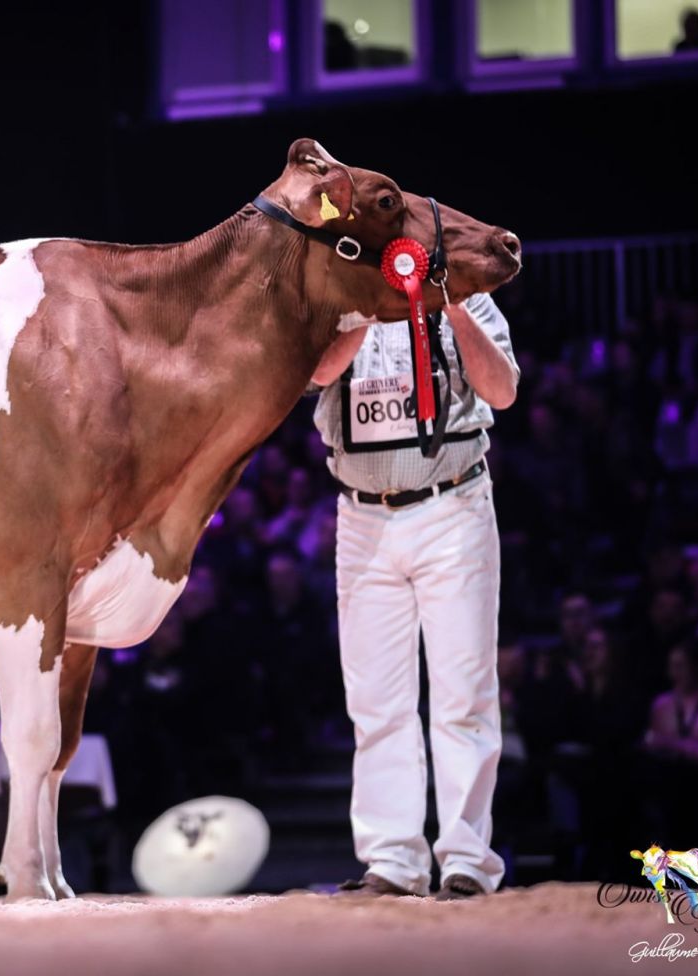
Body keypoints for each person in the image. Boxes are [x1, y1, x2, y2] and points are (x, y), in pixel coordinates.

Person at [310, 292, 519, 900]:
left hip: (452, 505)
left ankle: (467, 862)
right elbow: (315, 373)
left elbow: (503, 390)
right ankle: (393, 861)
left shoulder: (468, 294)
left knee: (464, 693)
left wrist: (451, 307)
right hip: (362, 516)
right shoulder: (339, 295)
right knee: (376, 699)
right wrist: (365, 308)